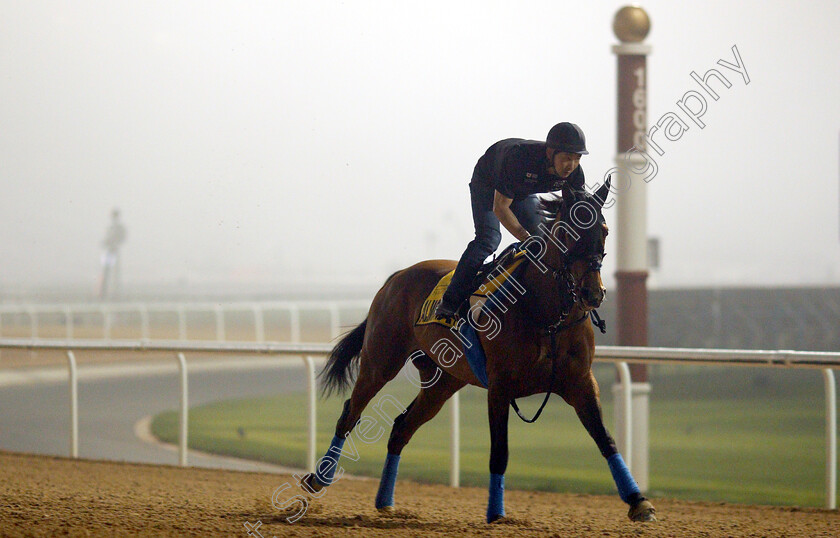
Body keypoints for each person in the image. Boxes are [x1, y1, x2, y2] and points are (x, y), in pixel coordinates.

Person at [434, 122, 588, 323]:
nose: (571, 165)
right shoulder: (520, 160)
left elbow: (576, 214)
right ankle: (450, 301)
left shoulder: (575, 173)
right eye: (567, 158)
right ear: (550, 153)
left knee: (544, 243)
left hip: (523, 190)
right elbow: (500, 208)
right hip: (488, 183)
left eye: (577, 159)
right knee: (489, 239)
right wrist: (526, 238)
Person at [99, 208, 127, 299]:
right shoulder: (111, 227)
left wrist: (114, 243)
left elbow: (121, 238)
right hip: (108, 251)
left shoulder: (119, 228)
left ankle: (114, 292)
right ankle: (104, 291)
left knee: (114, 272)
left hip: (114, 250)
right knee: (106, 271)